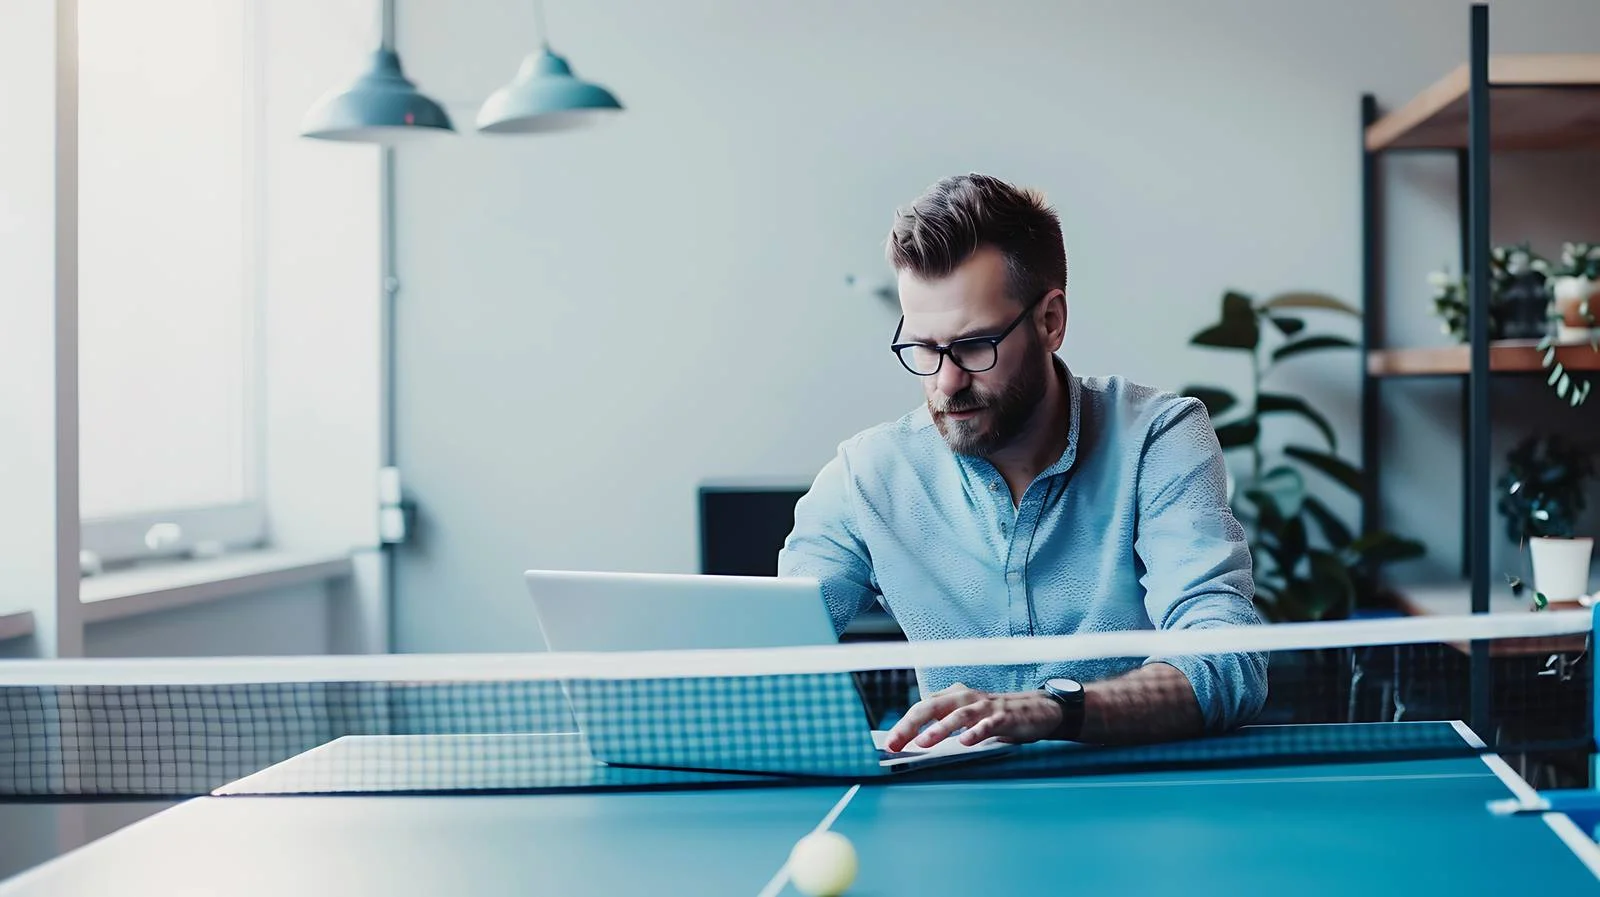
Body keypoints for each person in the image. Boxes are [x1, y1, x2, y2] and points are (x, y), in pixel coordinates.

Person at [777, 172, 1267, 749]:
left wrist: (1056, 709)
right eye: (924, 348)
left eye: (974, 346)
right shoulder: (866, 477)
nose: (947, 381)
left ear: (1050, 321)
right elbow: (774, 649)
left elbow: (1226, 657)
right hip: (957, 807)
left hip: (1139, 799)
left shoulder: (1158, 439)